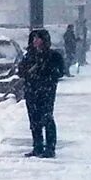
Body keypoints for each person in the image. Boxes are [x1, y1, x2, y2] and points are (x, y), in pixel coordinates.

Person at [18, 28, 66, 158]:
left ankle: (50, 147)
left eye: (38, 38)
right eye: (33, 38)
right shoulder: (29, 56)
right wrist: (28, 72)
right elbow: (21, 71)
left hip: (46, 91)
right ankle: (37, 146)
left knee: (46, 117)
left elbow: (60, 72)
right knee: (34, 120)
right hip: (31, 91)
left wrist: (45, 72)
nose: (35, 41)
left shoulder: (53, 56)